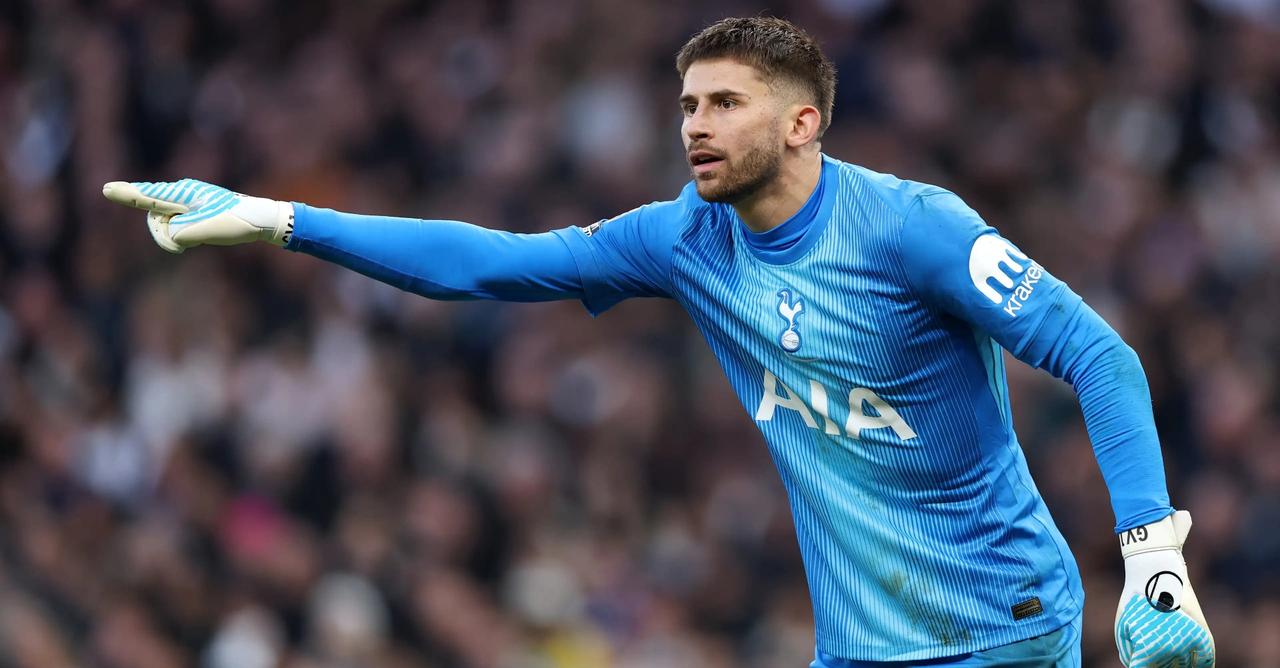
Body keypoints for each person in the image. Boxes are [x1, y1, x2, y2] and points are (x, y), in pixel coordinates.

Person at [103, 16, 1214, 668]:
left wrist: (1153, 561)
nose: (694, 125)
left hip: (997, 626)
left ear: (802, 122)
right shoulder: (685, 240)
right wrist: (280, 218)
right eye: (687, 104)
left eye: (724, 103)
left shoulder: (911, 229)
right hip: (862, 643)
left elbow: (1100, 357)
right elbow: (489, 262)